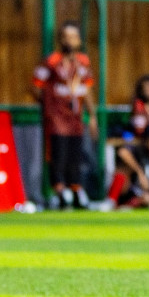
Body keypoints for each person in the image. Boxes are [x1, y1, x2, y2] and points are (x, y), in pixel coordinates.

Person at [31, 22, 97, 211]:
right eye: (66, 36)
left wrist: (92, 116)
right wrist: (49, 105)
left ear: (79, 40)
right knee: (58, 154)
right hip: (57, 118)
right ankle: (60, 191)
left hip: (75, 117)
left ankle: (76, 188)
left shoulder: (83, 62)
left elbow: (87, 89)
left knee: (75, 154)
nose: (69, 40)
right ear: (60, 39)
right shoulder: (51, 61)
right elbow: (35, 85)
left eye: (73, 36)